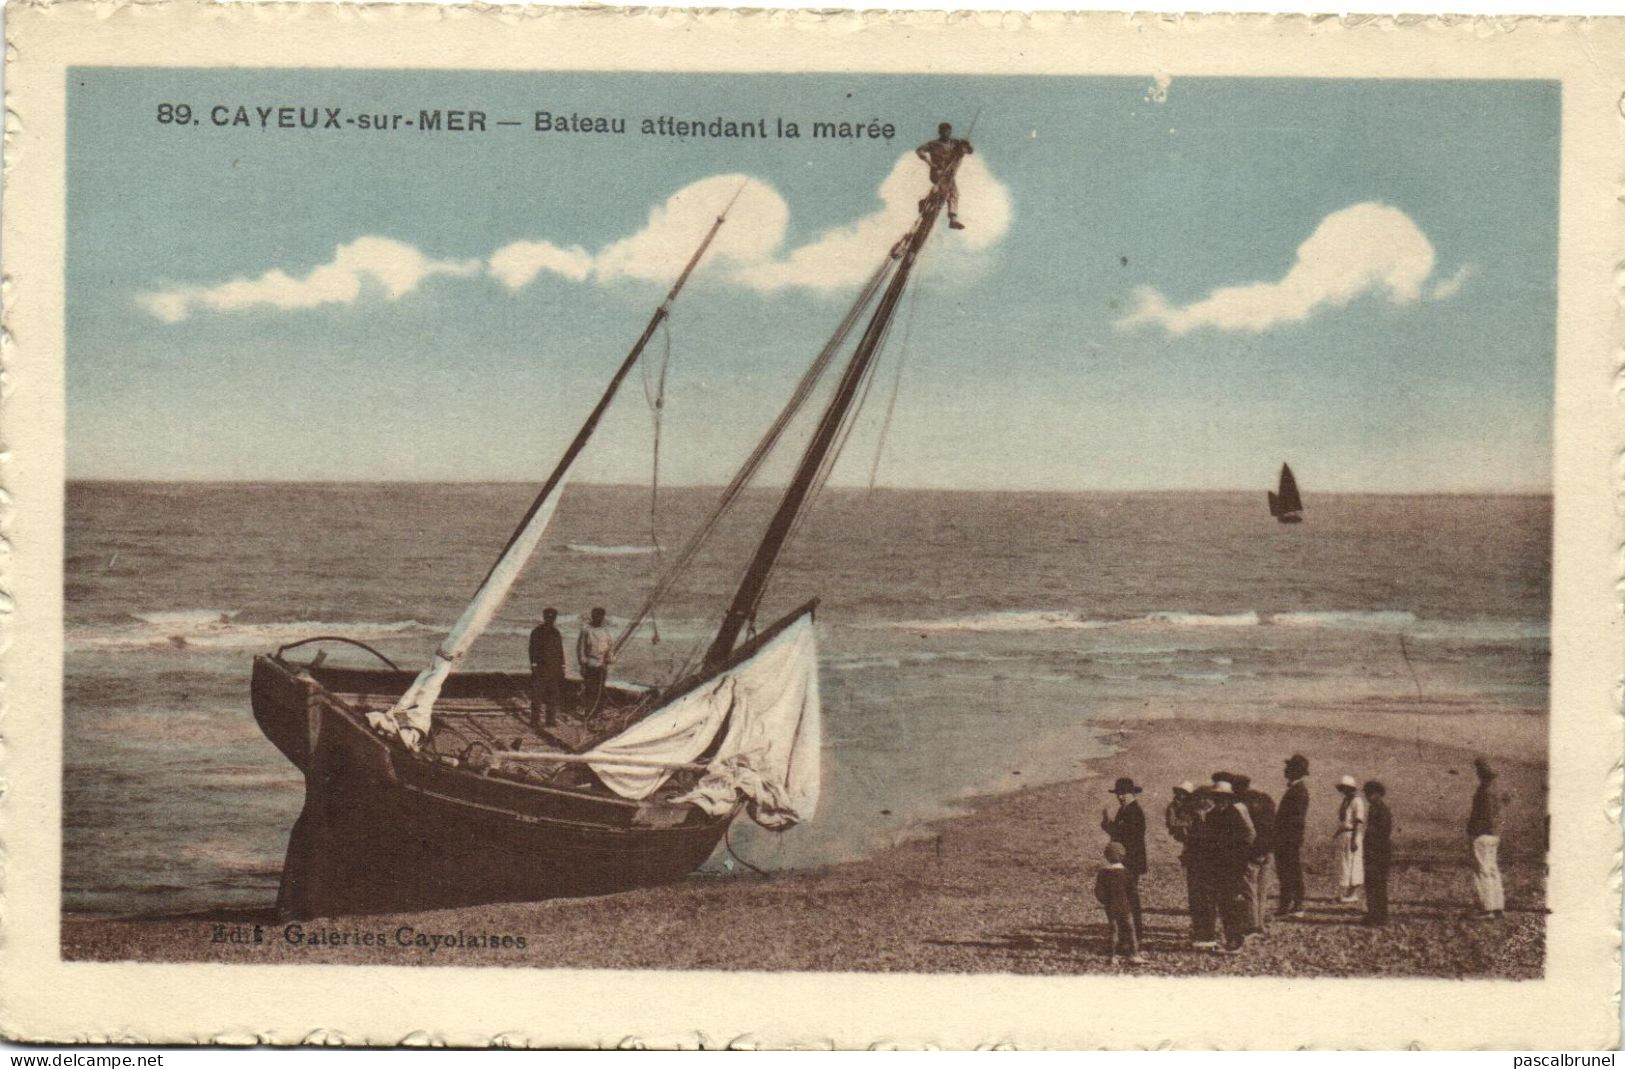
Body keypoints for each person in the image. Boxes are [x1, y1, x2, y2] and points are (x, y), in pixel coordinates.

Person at [1205, 780, 1256, 954]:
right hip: (1217, 867)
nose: (1219, 800)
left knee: (1232, 904)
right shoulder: (1212, 815)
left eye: (1222, 797)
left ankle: (1236, 942)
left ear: (1227, 798)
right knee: (1224, 904)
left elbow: (1246, 839)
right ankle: (1231, 939)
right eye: (1216, 796)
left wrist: (1240, 862)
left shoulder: (1233, 814)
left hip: (1233, 866)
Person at [1100, 777, 1147, 941]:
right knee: (1127, 896)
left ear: (1132, 793)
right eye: (1118, 794)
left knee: (1130, 897)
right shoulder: (1125, 809)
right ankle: (1132, 933)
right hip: (1126, 859)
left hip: (1131, 860)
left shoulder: (1134, 811)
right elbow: (1121, 832)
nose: (1120, 797)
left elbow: (1128, 835)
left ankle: (1136, 934)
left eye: (1123, 793)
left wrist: (1109, 826)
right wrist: (1110, 827)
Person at [1232, 773, 1276, 933]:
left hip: (1253, 851)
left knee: (1249, 888)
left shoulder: (1241, 805)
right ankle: (1261, 923)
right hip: (1269, 850)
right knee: (1262, 890)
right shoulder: (1266, 799)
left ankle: (1253, 925)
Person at [914, 122, 974, 230]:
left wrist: (965, 145)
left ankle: (927, 203)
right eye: (944, 131)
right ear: (939, 132)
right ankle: (952, 219)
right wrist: (929, 163)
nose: (946, 134)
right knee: (951, 191)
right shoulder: (933, 144)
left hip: (949, 175)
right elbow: (919, 150)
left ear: (950, 132)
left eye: (948, 131)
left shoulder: (955, 143)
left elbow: (969, 151)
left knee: (951, 193)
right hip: (937, 172)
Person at [1094, 841, 1145, 965]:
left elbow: (1099, 892)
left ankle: (1112, 956)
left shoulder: (1103, 873)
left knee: (1113, 931)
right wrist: (1133, 904)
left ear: (1106, 856)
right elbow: (1132, 892)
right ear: (1123, 856)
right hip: (1125, 907)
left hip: (1110, 907)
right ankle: (1134, 954)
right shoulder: (1127, 873)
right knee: (1130, 929)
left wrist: (1105, 901)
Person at [1468, 757, 1505, 919]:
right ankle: (1497, 907)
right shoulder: (1497, 790)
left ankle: (1487, 909)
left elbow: (1484, 815)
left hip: (1482, 834)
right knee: (1492, 869)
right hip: (1494, 834)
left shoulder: (1484, 791)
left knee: (1482, 870)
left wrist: (1474, 831)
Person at [1275, 754, 1311, 918]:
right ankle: (1288, 905)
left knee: (1291, 871)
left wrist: (1283, 835)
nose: (1285, 770)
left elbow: (1294, 819)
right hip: (1288, 838)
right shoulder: (1296, 789)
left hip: (1288, 838)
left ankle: (1296, 905)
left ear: (1295, 771)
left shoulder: (1298, 791)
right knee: (1287, 871)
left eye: (1288, 768)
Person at [527, 608, 565, 728]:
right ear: (544, 617)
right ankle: (534, 720)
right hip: (541, 668)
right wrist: (533, 664)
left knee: (552, 695)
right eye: (548, 617)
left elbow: (560, 651)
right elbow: (532, 649)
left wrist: (562, 666)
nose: (550, 620)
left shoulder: (556, 633)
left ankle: (550, 720)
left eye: (552, 618)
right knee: (537, 695)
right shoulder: (537, 632)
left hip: (554, 669)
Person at [1362, 780, 1393, 926]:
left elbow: (1381, 832)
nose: (1368, 797)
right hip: (1374, 852)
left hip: (1378, 852)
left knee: (1377, 885)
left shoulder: (1381, 810)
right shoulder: (1375, 808)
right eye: (1367, 794)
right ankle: (1375, 914)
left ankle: (1378, 917)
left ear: (1378, 794)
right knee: (1373, 885)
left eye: (1370, 794)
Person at [1333, 774, 1367, 904]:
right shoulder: (1346, 801)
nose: (1343, 791)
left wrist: (1353, 840)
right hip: (1345, 835)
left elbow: (1358, 822)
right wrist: (1337, 834)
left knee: (1353, 863)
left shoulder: (1357, 801)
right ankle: (1346, 892)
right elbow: (1343, 821)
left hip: (1353, 835)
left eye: (1345, 788)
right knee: (1345, 863)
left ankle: (1353, 893)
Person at [576, 607, 614, 713]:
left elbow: (610, 646)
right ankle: (589, 713)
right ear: (592, 616)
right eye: (596, 616)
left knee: (600, 690)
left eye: (601, 616)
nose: (598, 618)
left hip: (602, 665)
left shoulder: (605, 630)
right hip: (590, 665)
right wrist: (583, 665)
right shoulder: (586, 630)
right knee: (590, 690)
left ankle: (598, 712)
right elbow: (581, 649)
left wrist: (609, 659)